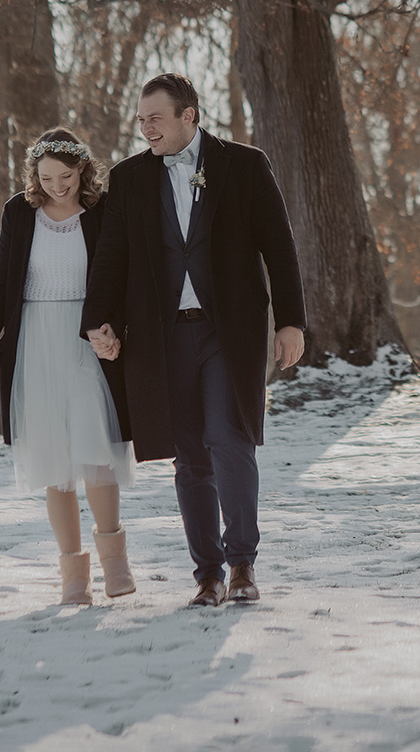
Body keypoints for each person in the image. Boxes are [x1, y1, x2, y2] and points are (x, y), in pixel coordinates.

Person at [82, 72, 306, 607]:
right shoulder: (129, 178)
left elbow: (279, 245)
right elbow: (111, 257)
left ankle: (243, 566)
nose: (146, 128)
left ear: (190, 116)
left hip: (227, 331)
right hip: (160, 338)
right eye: (141, 120)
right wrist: (99, 320)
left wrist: (291, 320)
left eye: (155, 118)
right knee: (189, 455)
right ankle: (206, 574)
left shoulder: (245, 165)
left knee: (231, 440)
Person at [0, 128, 137, 606]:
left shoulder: (102, 212)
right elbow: (2, 284)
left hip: (87, 338)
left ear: (82, 169)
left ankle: (115, 564)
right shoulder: (18, 213)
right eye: (46, 177)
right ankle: (73, 579)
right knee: (54, 465)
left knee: (95, 451)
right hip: (35, 343)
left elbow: (120, 277)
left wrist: (113, 330)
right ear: (33, 175)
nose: (57, 186)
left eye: (65, 176)